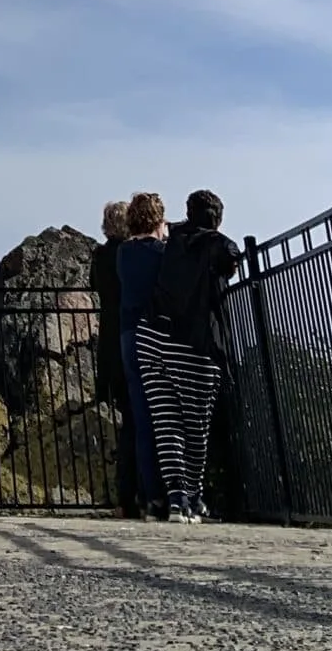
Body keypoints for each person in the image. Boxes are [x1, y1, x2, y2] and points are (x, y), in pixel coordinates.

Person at [133, 189, 242, 521]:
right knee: (195, 426)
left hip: (151, 335)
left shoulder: (173, 238)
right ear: (218, 219)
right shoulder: (218, 244)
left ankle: (177, 496)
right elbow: (230, 259)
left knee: (166, 424)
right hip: (192, 344)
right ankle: (192, 496)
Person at [116, 191, 170, 516]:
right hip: (156, 334)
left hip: (128, 334)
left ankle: (151, 496)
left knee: (142, 418)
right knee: (167, 417)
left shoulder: (123, 253)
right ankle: (173, 492)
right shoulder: (161, 252)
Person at [88, 202, 135, 515]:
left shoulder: (100, 256)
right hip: (131, 332)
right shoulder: (128, 255)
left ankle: (124, 493)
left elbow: (94, 286)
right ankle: (137, 493)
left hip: (108, 338)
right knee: (137, 420)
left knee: (125, 419)